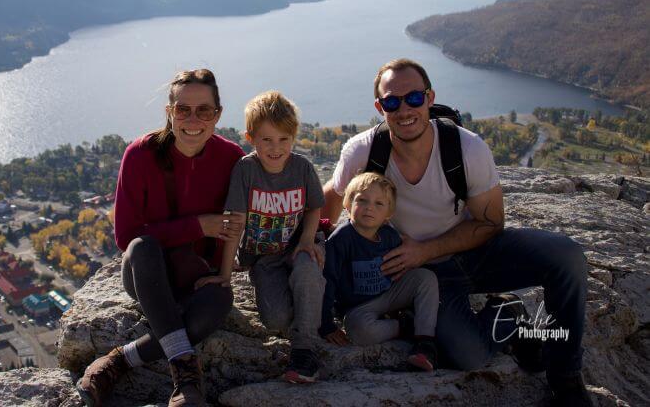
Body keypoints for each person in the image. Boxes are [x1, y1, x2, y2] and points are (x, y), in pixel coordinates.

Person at [322, 58, 590, 406]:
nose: (404, 109)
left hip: (473, 252)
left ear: (430, 98)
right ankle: (508, 315)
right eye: (392, 102)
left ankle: (565, 376)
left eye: (414, 98)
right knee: (471, 356)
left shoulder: (466, 148)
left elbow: (491, 223)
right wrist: (311, 243)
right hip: (422, 276)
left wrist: (425, 249)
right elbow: (331, 198)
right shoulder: (364, 151)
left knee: (567, 258)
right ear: (380, 107)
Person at [76, 69, 246, 407]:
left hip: (199, 277)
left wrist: (318, 230)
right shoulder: (140, 155)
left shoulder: (232, 159)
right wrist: (199, 225)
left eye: (204, 110)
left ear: (218, 114)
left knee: (219, 303)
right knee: (143, 246)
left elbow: (270, 203)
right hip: (147, 274)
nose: (193, 119)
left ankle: (120, 359)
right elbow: (126, 236)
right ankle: (185, 374)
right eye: (183, 109)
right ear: (169, 113)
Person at [198, 90, 326, 383]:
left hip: (298, 246)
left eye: (283, 139)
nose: (276, 147)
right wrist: (226, 274)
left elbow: (314, 206)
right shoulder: (246, 170)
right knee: (275, 320)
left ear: (294, 137)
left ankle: (306, 351)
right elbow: (236, 222)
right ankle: (315, 305)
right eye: (266, 139)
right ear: (250, 138)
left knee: (307, 271)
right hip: (264, 260)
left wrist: (307, 239)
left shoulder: (302, 167)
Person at [320, 172, 439, 371]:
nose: (369, 208)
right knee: (360, 332)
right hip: (358, 307)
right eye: (362, 200)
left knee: (425, 278)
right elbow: (328, 280)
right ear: (348, 204)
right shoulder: (342, 239)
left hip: (389, 296)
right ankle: (407, 326)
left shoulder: (389, 236)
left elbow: (402, 264)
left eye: (379, 204)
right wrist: (326, 324)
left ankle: (425, 341)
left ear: (388, 214)